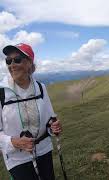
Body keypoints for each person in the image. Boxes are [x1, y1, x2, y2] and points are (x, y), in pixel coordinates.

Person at [0, 43, 62, 180]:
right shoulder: (1, 93)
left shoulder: (40, 88)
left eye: (17, 60)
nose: (12, 65)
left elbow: (50, 119)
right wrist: (13, 142)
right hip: (17, 158)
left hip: (43, 150)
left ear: (29, 63)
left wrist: (54, 127)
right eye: (8, 61)